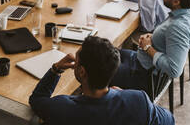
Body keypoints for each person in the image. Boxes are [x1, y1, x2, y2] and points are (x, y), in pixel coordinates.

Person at [29, 36, 175, 125]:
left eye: (77, 59)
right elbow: (169, 120)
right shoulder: (137, 100)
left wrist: (55, 70)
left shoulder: (62, 107)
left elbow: (36, 99)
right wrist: (123, 94)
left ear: (82, 71)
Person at [109, 0, 190, 92]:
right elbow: (171, 38)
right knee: (104, 51)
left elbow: (174, 70)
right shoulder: (186, 13)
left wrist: (148, 48)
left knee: (96, 68)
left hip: (143, 75)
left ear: (176, 2)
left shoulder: (178, 27)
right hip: (140, 61)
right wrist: (154, 37)